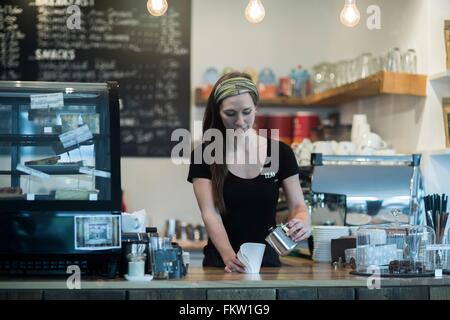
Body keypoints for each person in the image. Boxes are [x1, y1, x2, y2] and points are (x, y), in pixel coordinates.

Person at [187, 71, 311, 273]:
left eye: (247, 112)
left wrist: (303, 221)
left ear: (256, 108)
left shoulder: (280, 153)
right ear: (218, 111)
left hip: (268, 265)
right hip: (222, 266)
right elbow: (210, 212)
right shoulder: (204, 155)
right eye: (230, 114)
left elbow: (298, 206)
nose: (240, 121)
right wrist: (229, 257)